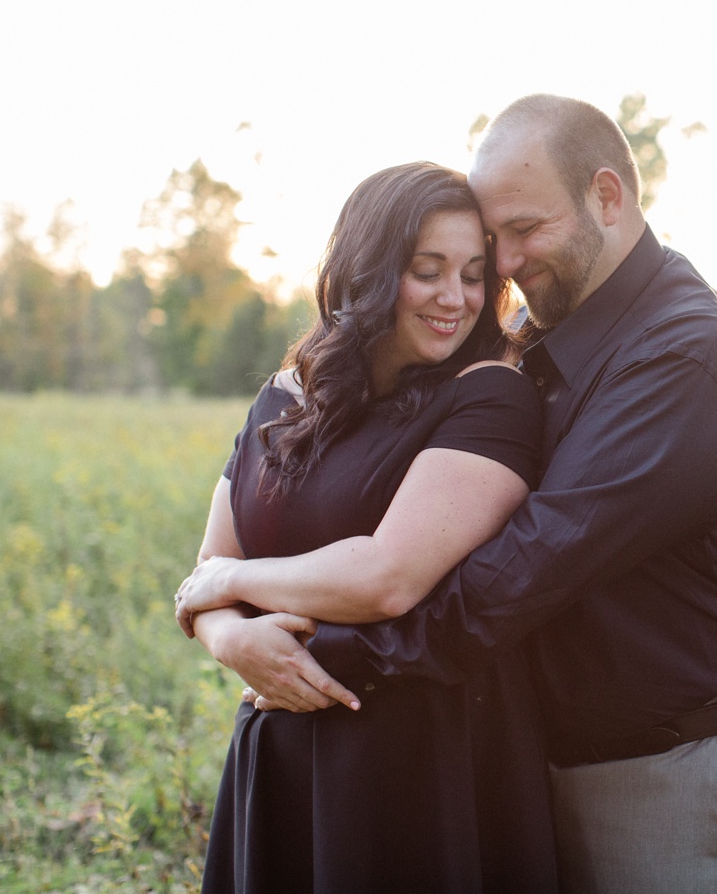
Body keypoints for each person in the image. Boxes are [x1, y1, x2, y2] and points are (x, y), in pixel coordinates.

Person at [217, 94, 717, 893]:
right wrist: (233, 631)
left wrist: (305, 655)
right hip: (575, 746)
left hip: (687, 759)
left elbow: (514, 577)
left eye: (521, 232)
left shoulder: (687, 357)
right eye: (489, 241)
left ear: (607, 198)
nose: (501, 266)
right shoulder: (558, 336)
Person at [175, 161, 558, 893]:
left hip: (417, 763)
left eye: (474, 274)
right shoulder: (283, 396)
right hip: (279, 746)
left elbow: (386, 577)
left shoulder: (489, 398)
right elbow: (206, 570)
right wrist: (235, 640)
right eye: (429, 271)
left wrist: (228, 585)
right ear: (371, 270)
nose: (455, 298)